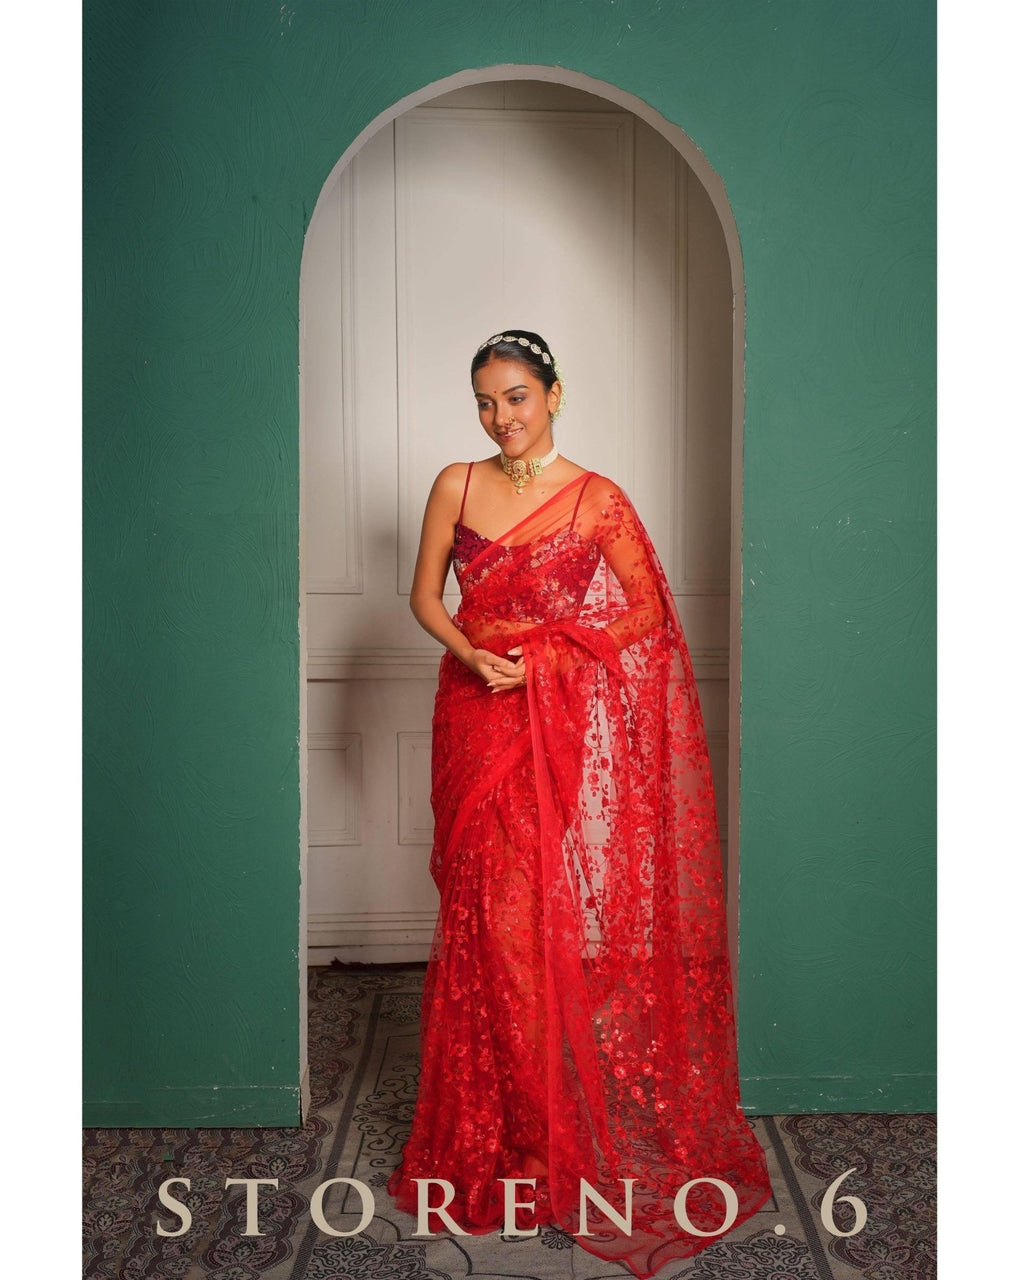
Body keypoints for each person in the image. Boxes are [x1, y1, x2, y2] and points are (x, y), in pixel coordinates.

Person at [387, 330, 771, 1277]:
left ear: (554, 394)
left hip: (541, 724)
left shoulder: (599, 499)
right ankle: (498, 1122)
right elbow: (424, 597)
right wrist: (470, 652)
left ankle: (542, 1136)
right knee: (480, 917)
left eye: (516, 397)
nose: (499, 417)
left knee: (520, 921)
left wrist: (555, 650)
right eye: (484, 401)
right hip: (469, 711)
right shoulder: (454, 483)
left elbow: (648, 609)